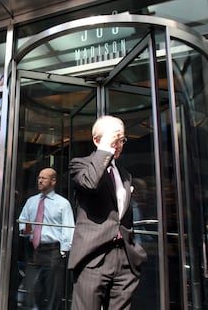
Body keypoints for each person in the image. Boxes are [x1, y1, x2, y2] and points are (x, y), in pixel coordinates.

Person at [68, 115, 147, 310]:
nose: (119, 144)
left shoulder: (125, 174)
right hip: (93, 257)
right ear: (97, 140)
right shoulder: (80, 165)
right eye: (115, 139)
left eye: (122, 140)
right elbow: (90, 183)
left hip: (125, 258)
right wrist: (105, 149)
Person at [19, 167, 74, 310]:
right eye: (39, 177)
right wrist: (25, 230)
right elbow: (23, 221)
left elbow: (68, 228)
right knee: (35, 289)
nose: (40, 180)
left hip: (53, 251)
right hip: (35, 251)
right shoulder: (31, 201)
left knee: (53, 291)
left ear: (53, 181)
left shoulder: (63, 203)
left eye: (44, 178)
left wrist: (64, 252)